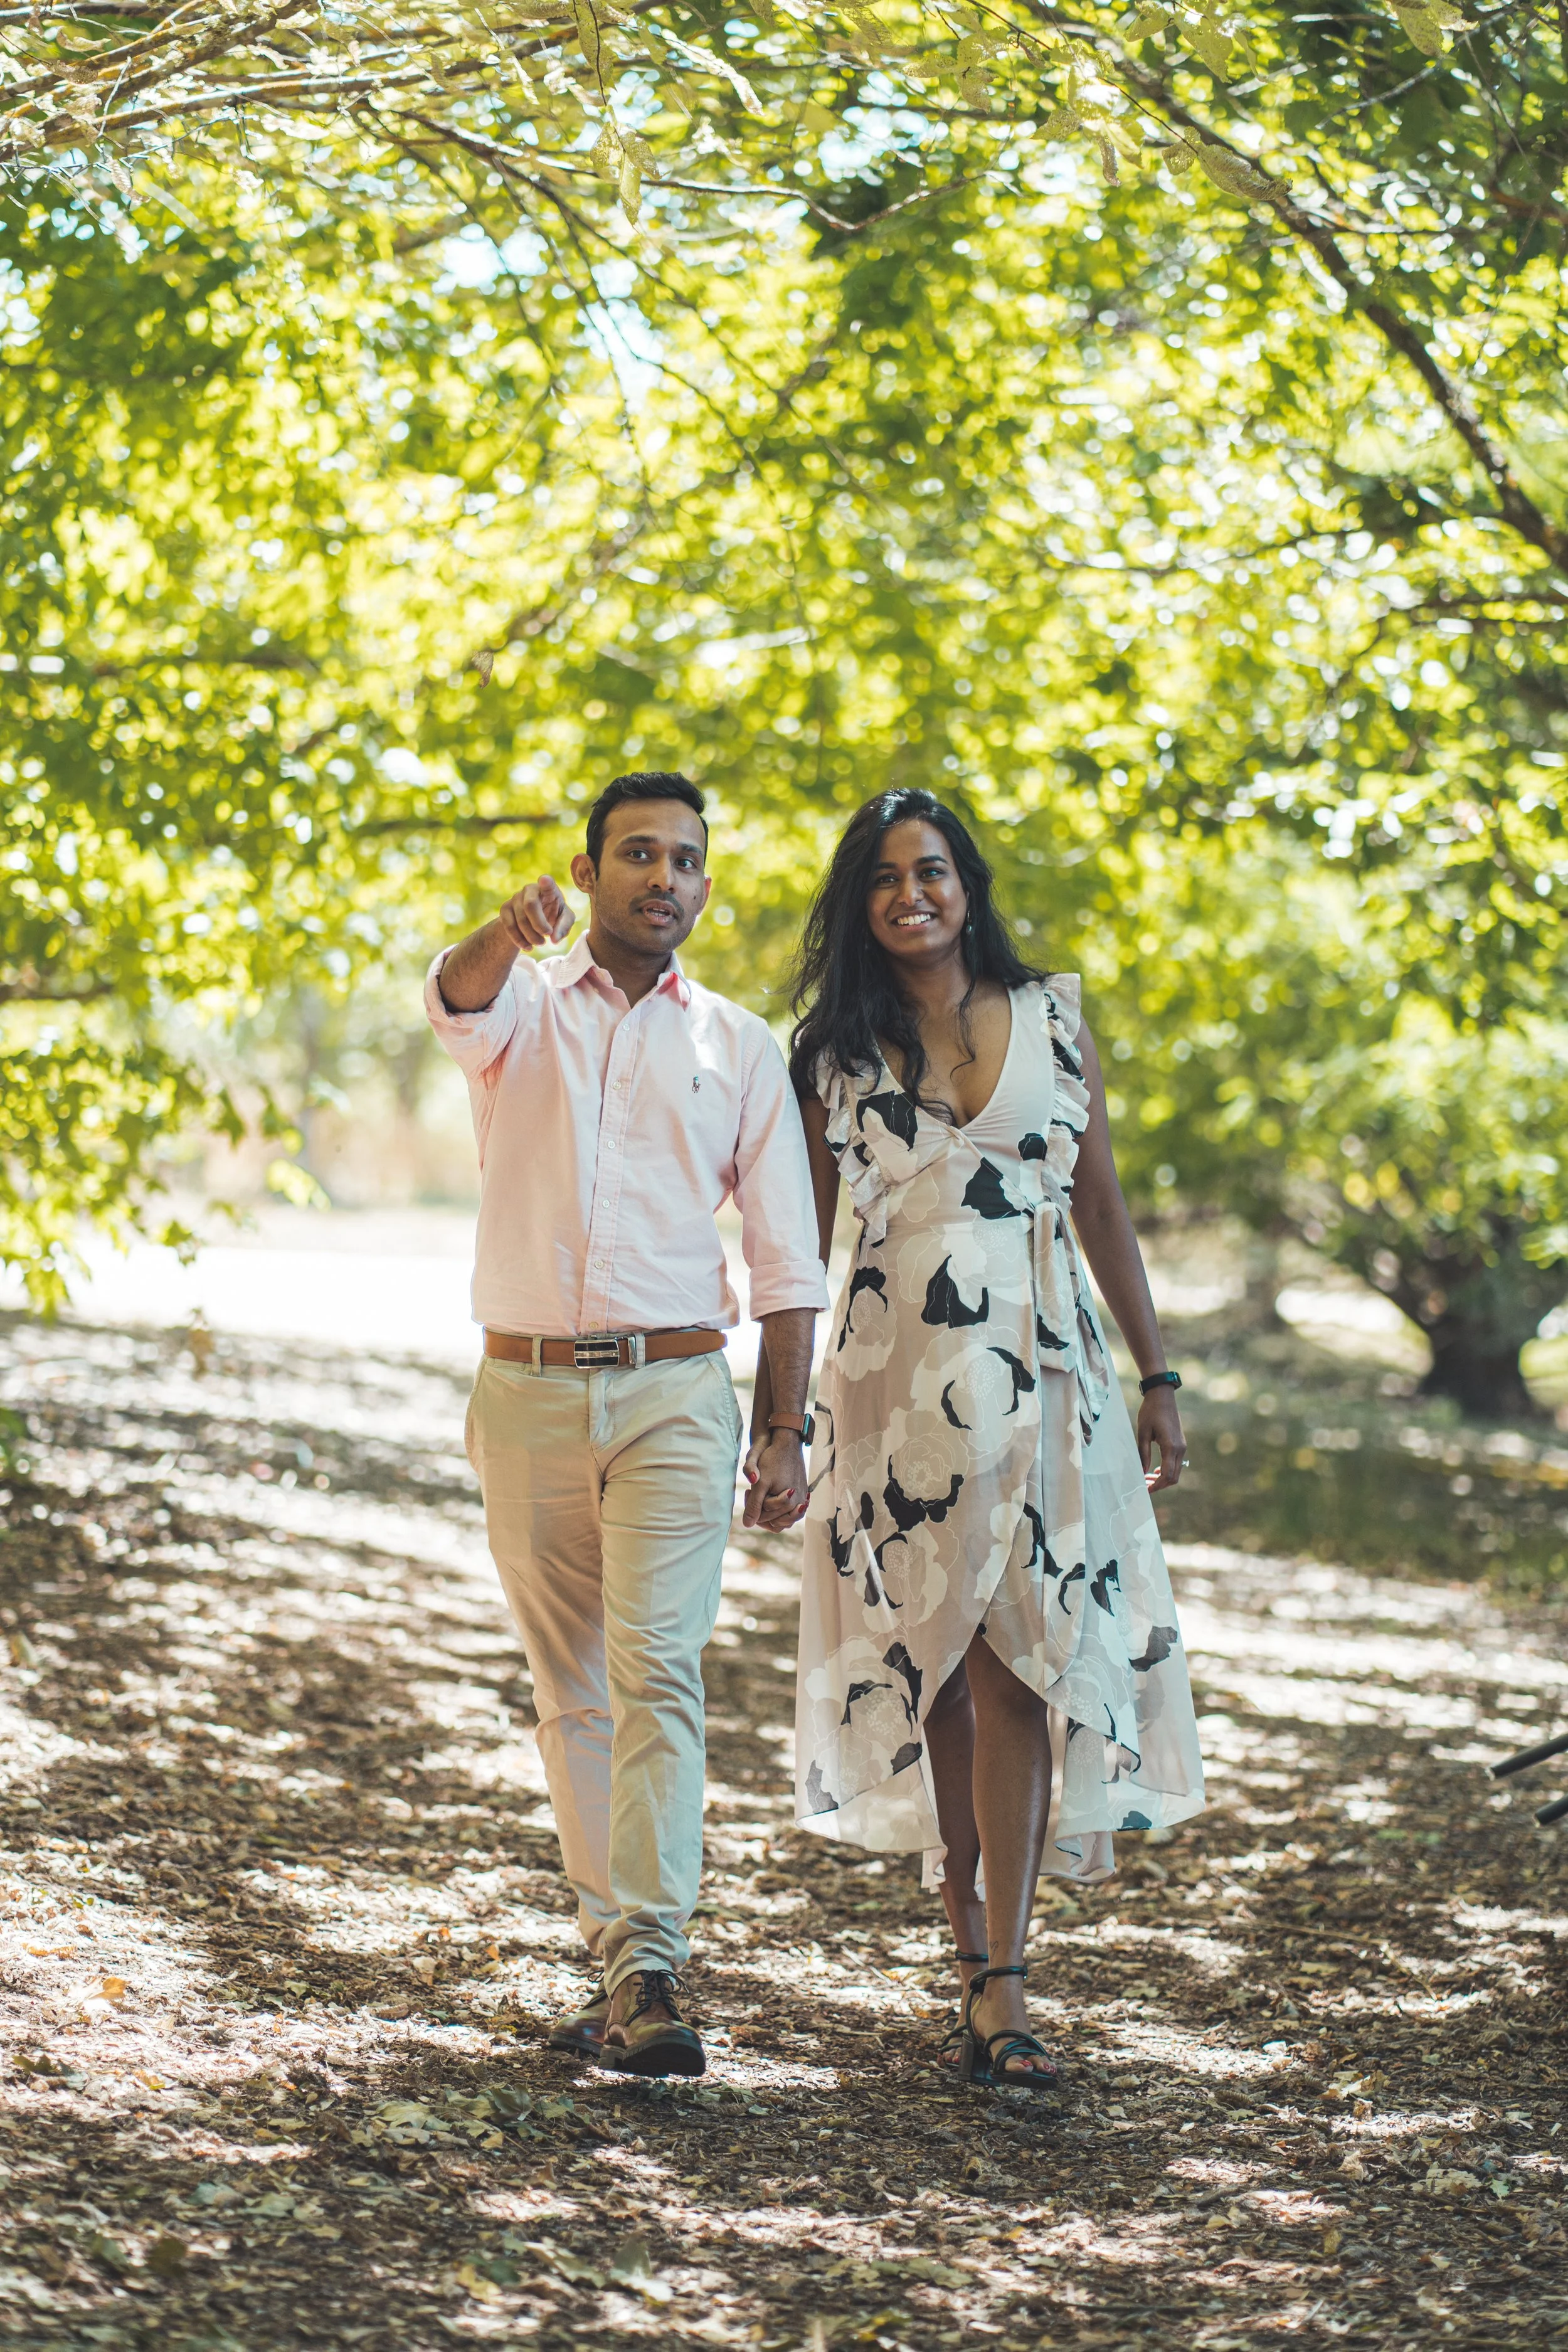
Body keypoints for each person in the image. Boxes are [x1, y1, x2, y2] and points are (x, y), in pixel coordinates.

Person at [779, 788, 1205, 2089]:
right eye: (885, 878)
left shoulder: (1053, 1019)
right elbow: (793, 1256)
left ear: (966, 885)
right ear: (858, 903)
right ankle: (970, 1950)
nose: (913, 894)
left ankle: (1003, 1981)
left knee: (1025, 1658)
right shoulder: (831, 1054)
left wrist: (1157, 1373)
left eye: (933, 870)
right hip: (892, 1389)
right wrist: (775, 1421)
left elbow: (1104, 1211)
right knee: (942, 1667)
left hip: (1050, 1375)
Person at [426, 770, 827, 2078]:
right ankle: (617, 1965)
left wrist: (783, 1429)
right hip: (526, 1386)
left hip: (672, 1390)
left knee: (657, 1667)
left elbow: (783, 1261)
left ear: (706, 887)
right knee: (573, 1690)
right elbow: (453, 996)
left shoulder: (737, 1045)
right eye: (639, 855)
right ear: (590, 873)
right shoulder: (523, 1014)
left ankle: (647, 1957)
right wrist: (502, 926)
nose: (665, 878)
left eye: (686, 860)